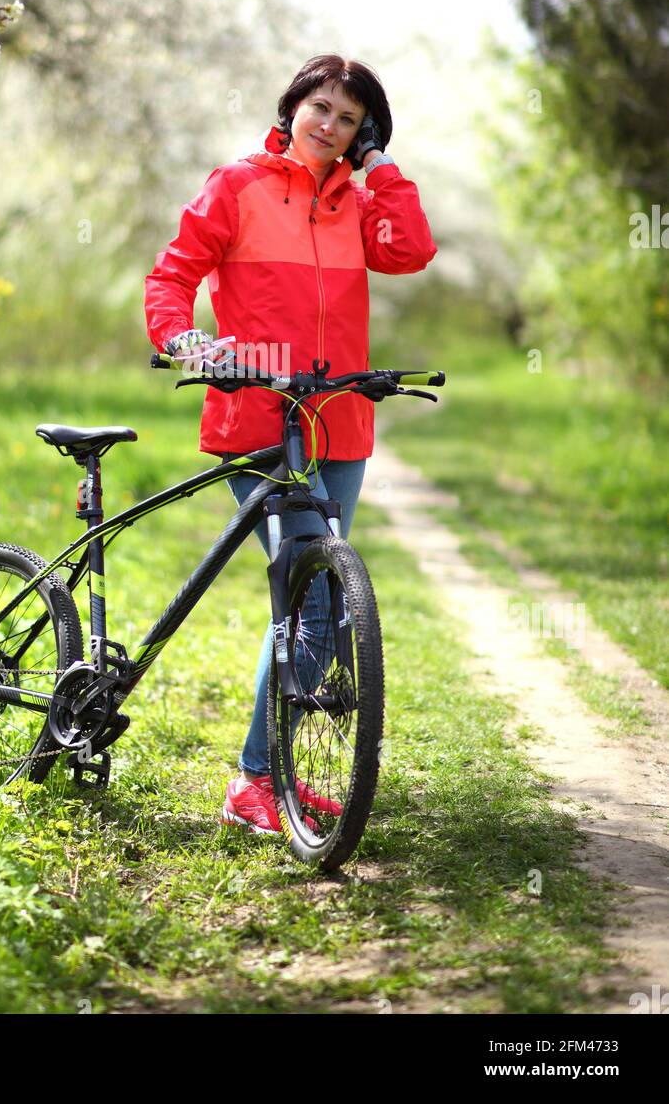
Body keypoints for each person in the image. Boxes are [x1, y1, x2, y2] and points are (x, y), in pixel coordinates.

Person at [144, 53, 437, 834]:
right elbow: (171, 275)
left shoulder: (358, 200)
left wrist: (381, 166)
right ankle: (256, 780)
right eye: (321, 108)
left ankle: (269, 774)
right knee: (317, 599)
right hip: (259, 423)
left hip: (339, 423)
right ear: (292, 106)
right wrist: (188, 343)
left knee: (328, 602)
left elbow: (410, 249)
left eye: (349, 119)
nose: (330, 127)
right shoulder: (238, 185)